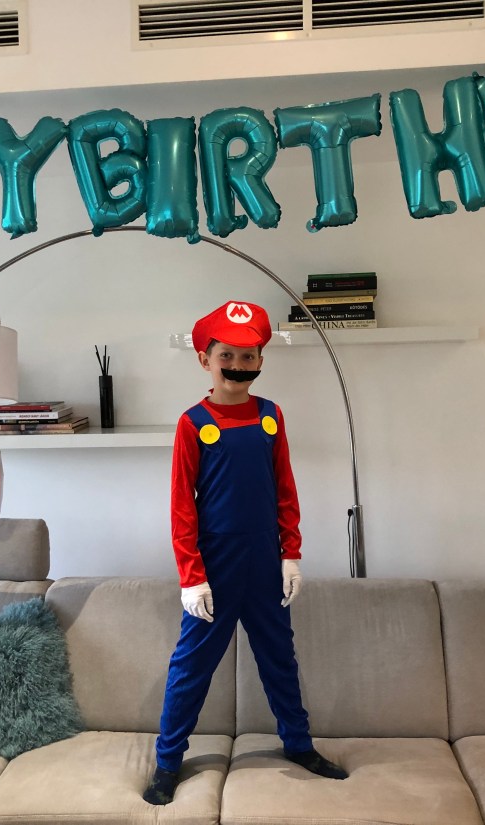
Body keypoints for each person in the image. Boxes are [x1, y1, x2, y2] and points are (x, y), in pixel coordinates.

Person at [143, 300, 347, 806]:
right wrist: (191, 576)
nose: (238, 365)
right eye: (227, 355)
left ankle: (298, 744)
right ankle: (167, 762)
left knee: (280, 658)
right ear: (205, 360)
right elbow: (181, 506)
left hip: (265, 562)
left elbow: (285, 489)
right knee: (192, 666)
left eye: (248, 356)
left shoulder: (271, 416)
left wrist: (291, 553)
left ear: (260, 360)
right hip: (215, 566)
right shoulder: (193, 423)